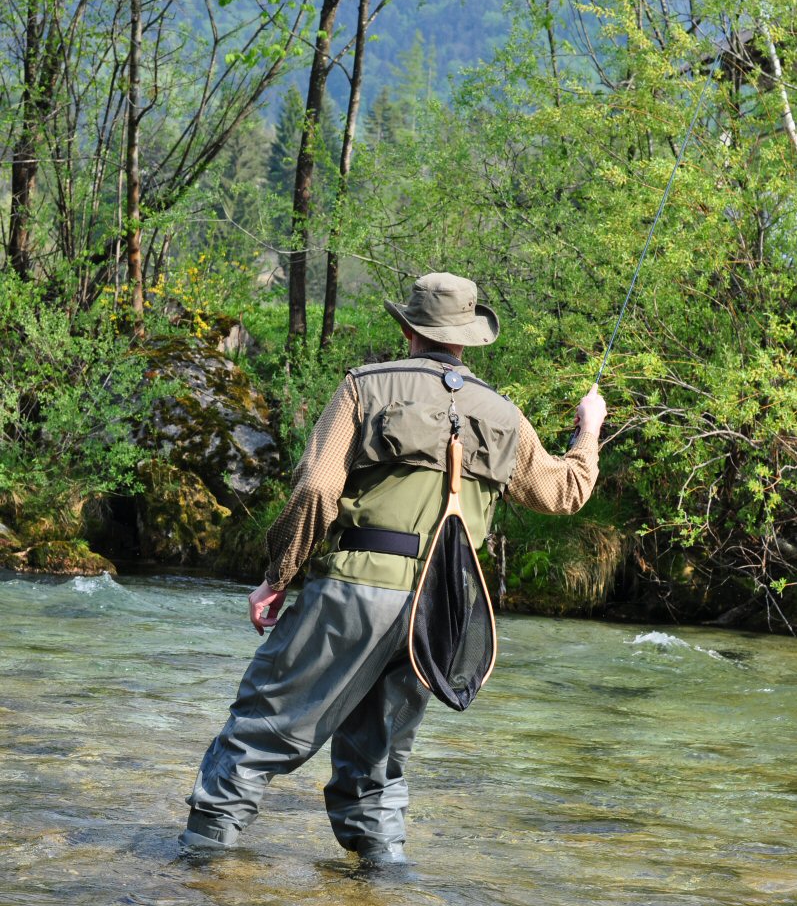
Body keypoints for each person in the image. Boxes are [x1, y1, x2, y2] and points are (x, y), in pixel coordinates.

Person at [180, 272, 606, 863]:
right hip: (439, 612)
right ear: (469, 338)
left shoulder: (365, 388)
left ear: (407, 327)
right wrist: (590, 430)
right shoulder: (505, 417)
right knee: (378, 763)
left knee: (260, 730)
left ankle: (196, 870)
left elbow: (316, 492)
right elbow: (566, 492)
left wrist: (277, 576)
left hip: (356, 589)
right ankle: (384, 903)